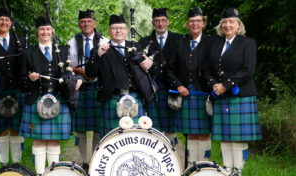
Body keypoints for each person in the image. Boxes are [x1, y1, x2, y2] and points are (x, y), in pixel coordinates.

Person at [203, 7, 262, 176]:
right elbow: (206, 69)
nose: (228, 25)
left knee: (238, 137)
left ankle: (238, 171)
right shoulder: (216, 44)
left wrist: (226, 85)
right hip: (221, 96)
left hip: (240, 95)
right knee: (225, 136)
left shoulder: (247, 43)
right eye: (225, 22)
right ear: (221, 25)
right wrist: (214, 84)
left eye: (231, 22)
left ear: (238, 25)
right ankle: (227, 169)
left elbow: (248, 71)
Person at [19, 16, 82, 175]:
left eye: (48, 29)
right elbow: (21, 79)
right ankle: (40, 175)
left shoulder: (63, 51)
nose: (45, 32)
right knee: (38, 139)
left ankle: (53, 173)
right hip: (36, 98)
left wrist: (75, 80)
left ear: (52, 31)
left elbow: (69, 73)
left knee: (54, 139)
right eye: (41, 29)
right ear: (37, 32)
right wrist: (29, 78)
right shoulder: (28, 52)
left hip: (58, 99)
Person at [86, 14, 153, 136]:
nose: (118, 31)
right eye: (114, 28)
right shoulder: (100, 49)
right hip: (111, 98)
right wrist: (98, 55)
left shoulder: (136, 47)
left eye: (121, 28)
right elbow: (90, 73)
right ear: (109, 31)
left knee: (135, 136)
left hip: (134, 96)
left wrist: (150, 62)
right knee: (111, 137)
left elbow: (149, 67)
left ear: (126, 30)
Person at [167, 8, 214, 165]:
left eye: (198, 21)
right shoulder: (180, 43)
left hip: (205, 95)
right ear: (187, 24)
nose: (195, 24)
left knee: (204, 134)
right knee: (192, 134)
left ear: (203, 23)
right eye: (192, 21)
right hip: (186, 94)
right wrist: (178, 85)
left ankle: (204, 165)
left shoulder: (212, 42)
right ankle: (192, 167)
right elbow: (169, 69)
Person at [67, 9, 108, 169]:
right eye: (83, 21)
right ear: (79, 23)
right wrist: (81, 71)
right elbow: (69, 64)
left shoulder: (104, 41)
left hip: (99, 85)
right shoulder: (72, 42)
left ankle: (95, 161)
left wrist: (95, 72)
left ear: (94, 23)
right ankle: (85, 161)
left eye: (89, 21)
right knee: (81, 129)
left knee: (98, 127)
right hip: (80, 85)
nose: (86, 24)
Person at [0, 8, 25, 165]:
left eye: (7, 20)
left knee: (16, 128)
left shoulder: (20, 40)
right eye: (1, 19)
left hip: (17, 89)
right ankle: (3, 163)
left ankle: (16, 163)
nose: (4, 23)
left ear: (11, 23)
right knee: (0, 128)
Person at [139, 8, 183, 145]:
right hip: (153, 90)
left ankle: (172, 156)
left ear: (168, 22)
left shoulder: (179, 40)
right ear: (153, 23)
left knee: (171, 128)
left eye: (163, 20)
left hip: (172, 90)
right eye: (157, 21)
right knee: (153, 128)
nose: (160, 23)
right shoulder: (144, 41)